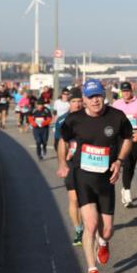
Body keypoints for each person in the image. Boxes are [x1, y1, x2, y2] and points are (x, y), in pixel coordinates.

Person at [57, 79, 133, 273]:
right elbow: (62, 140)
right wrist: (63, 162)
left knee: (106, 231)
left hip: (106, 179)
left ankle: (103, 242)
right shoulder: (74, 120)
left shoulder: (116, 117)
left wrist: (119, 161)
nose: (95, 100)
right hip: (83, 178)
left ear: (104, 95)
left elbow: (128, 138)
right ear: (84, 100)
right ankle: (92, 272)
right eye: (90, 97)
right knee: (90, 225)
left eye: (98, 95)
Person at [54, 87, 85, 246]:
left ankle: (91, 225)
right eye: (74, 101)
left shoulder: (91, 118)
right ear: (69, 102)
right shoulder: (62, 121)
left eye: (80, 101)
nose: (77, 105)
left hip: (89, 162)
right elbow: (59, 144)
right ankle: (79, 229)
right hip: (71, 163)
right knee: (74, 198)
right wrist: (63, 162)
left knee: (87, 199)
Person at [112, 81, 137, 208]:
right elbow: (112, 120)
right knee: (127, 164)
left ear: (131, 91)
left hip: (135, 136)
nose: (126, 93)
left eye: (128, 91)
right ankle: (127, 193)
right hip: (122, 138)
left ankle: (125, 188)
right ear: (121, 92)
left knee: (132, 165)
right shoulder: (116, 104)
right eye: (124, 91)